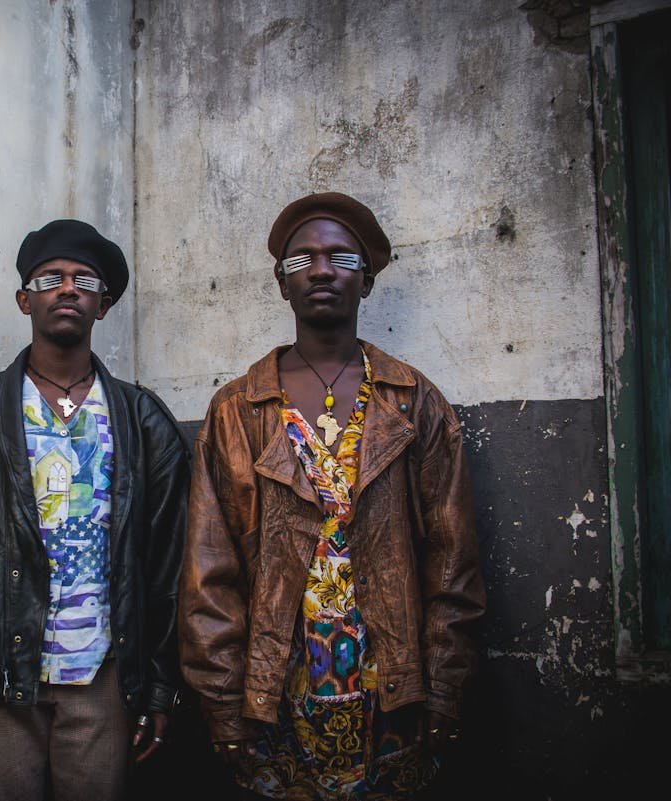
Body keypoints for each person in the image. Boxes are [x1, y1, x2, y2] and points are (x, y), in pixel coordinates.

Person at [178, 192, 486, 800]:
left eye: (341, 258)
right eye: (303, 261)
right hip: (272, 694)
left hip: (393, 691)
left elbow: (453, 563)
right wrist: (222, 701)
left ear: (365, 281)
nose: (321, 271)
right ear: (282, 283)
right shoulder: (237, 410)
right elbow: (208, 573)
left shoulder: (414, 402)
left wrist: (443, 690)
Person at [0, 218, 191, 801]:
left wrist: (161, 686)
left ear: (102, 305)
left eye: (84, 280)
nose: (68, 288)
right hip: (1, 677)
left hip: (105, 680)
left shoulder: (143, 421)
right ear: (25, 300)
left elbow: (168, 567)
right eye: (50, 278)